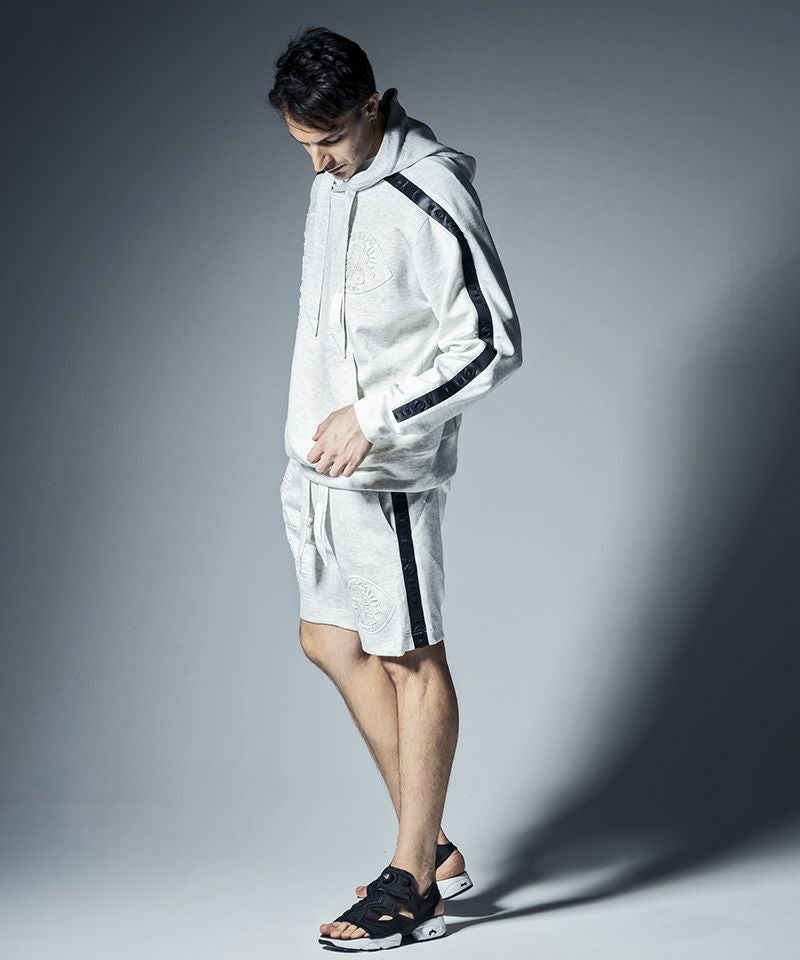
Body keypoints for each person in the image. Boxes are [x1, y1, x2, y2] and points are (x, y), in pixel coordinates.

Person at [268, 25, 523, 951]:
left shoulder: (432, 189)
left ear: (373, 106)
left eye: (332, 139)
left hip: (388, 473)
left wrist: (374, 420)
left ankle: (413, 879)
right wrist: (317, 429)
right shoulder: (332, 180)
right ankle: (436, 845)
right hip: (316, 468)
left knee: (413, 659)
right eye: (303, 144)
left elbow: (492, 342)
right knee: (329, 641)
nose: (319, 161)